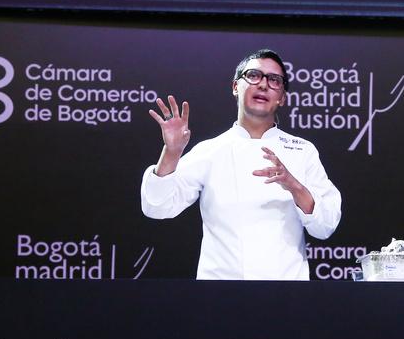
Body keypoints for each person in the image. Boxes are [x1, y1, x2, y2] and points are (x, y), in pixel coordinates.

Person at [140, 49, 342, 280]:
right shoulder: (210, 151)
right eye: (254, 75)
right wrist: (172, 152)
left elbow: (326, 226)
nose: (263, 85)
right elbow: (157, 207)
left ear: (282, 97)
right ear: (236, 86)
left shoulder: (303, 151)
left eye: (274, 80)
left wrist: (294, 186)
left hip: (286, 292)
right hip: (220, 292)